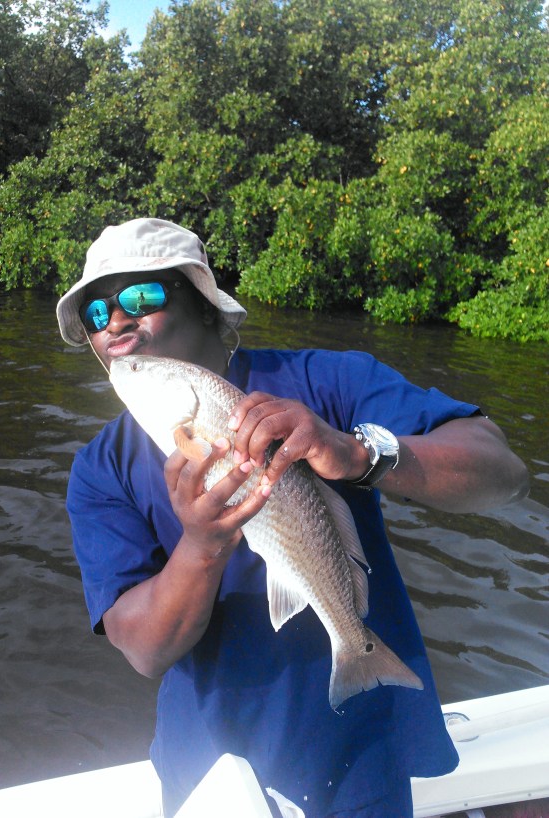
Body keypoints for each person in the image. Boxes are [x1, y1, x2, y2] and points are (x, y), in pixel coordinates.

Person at [56, 217, 529, 818]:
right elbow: (145, 651)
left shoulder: (327, 381)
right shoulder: (101, 470)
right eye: (95, 314)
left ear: (202, 303)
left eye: (138, 296)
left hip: (362, 760)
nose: (115, 321)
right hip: (211, 773)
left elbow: (505, 473)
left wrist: (361, 454)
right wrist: (203, 546)